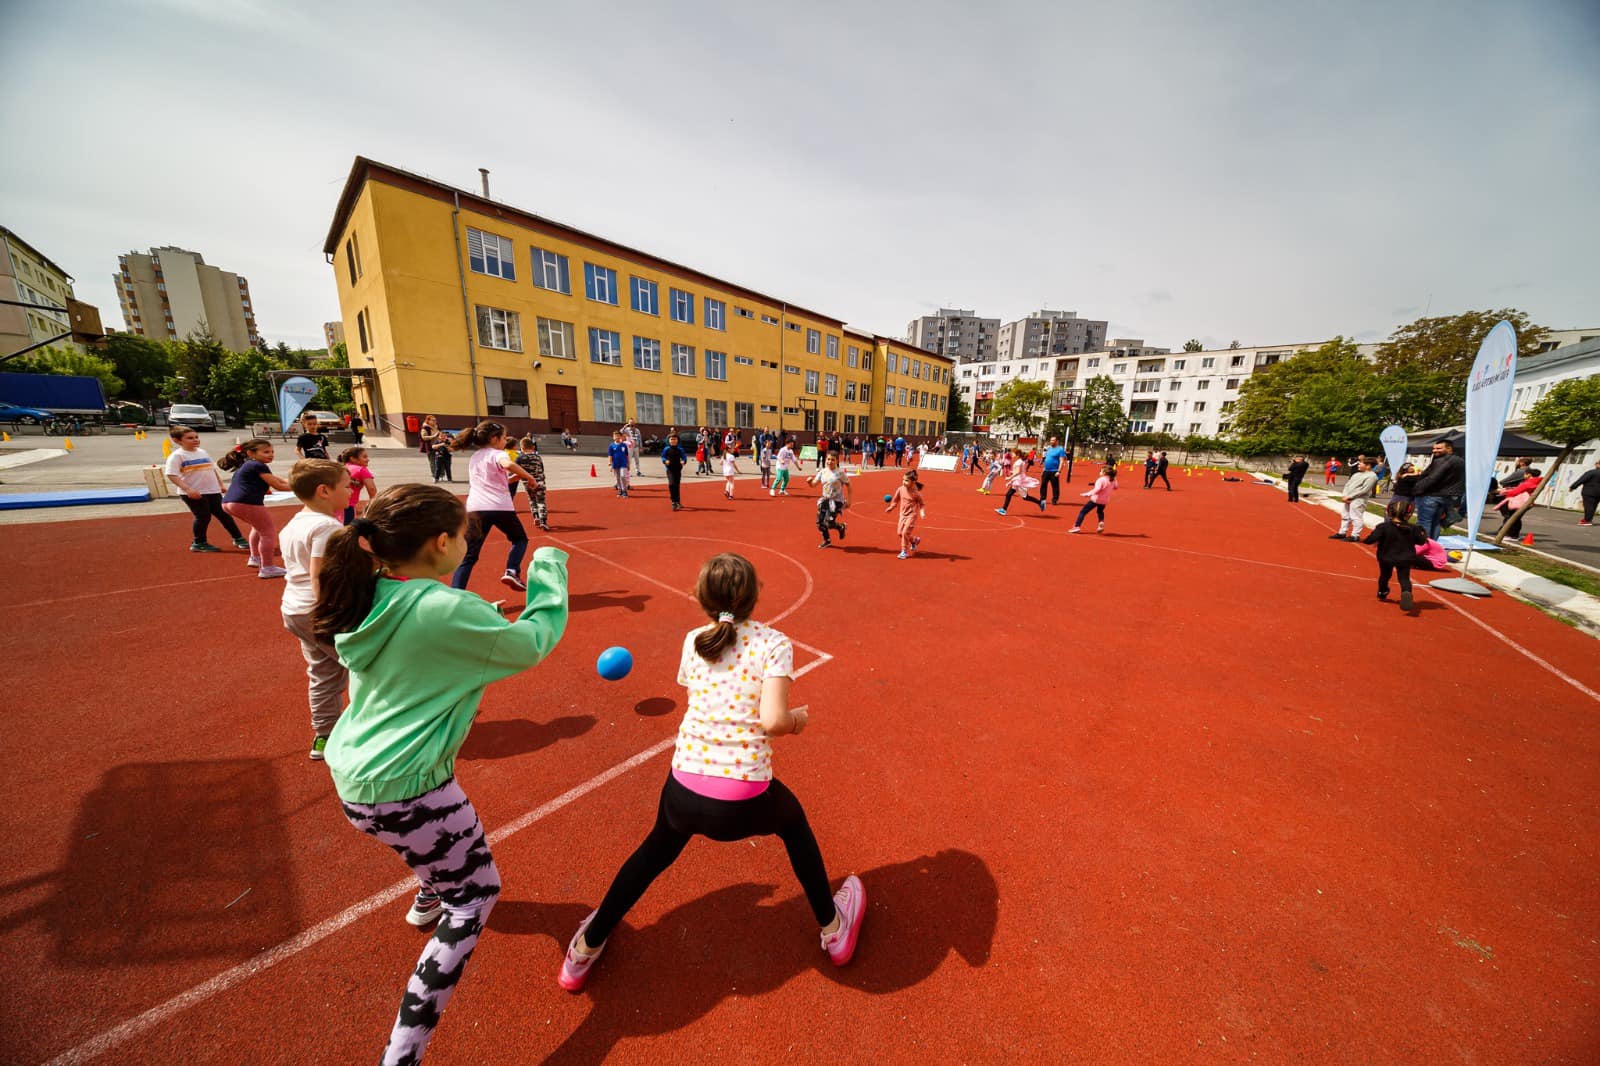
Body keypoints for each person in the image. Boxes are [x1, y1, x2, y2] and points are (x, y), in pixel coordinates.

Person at [313, 484, 568, 1063]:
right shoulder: (439, 609)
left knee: (439, 849)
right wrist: (549, 569)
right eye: (464, 535)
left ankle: (428, 893)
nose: (468, 542)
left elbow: (430, 628)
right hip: (408, 789)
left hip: (358, 774)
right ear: (440, 542)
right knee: (477, 897)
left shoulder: (375, 593)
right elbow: (532, 643)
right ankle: (403, 1054)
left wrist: (474, 617)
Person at [557, 552, 863, 993]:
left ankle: (585, 947)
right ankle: (833, 929)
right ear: (755, 597)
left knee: (654, 852)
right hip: (744, 798)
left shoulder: (694, 639)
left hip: (684, 784)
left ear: (701, 598)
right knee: (794, 826)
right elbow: (774, 721)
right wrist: (797, 719)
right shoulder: (773, 643)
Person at [279, 459, 353, 761]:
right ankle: (385, 727)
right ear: (324, 490)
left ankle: (325, 735)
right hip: (318, 610)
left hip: (294, 608)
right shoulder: (326, 526)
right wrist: (332, 614)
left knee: (323, 674)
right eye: (347, 486)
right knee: (368, 665)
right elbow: (320, 574)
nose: (352, 492)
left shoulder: (295, 522)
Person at [449, 421, 535, 593]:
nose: (505, 441)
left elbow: (492, 480)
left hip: (475, 509)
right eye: (503, 438)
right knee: (519, 539)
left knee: (469, 556)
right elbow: (508, 464)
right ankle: (512, 570)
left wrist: (513, 479)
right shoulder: (497, 454)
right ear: (494, 439)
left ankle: (455, 593)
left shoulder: (475, 458)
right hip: (499, 506)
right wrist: (529, 477)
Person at [164, 425, 249, 553]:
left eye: (196, 437)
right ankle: (199, 542)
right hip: (194, 493)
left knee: (224, 515)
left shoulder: (202, 452)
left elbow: (212, 470)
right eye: (190, 438)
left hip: (212, 490)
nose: (195, 440)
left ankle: (238, 538)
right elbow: (171, 475)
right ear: (177, 440)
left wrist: (220, 485)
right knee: (203, 517)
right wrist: (188, 490)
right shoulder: (177, 456)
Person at [220, 438, 292, 577]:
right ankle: (267, 567)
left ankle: (255, 558)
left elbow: (279, 480)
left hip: (228, 502)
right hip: (246, 502)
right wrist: (304, 487)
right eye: (266, 452)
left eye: (272, 452)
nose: (271, 454)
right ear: (250, 453)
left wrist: (296, 481)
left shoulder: (248, 465)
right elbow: (279, 486)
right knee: (268, 532)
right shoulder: (258, 466)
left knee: (258, 528)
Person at [1363, 497, 1427, 611]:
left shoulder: (1383, 527)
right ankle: (1406, 592)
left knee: (1385, 575)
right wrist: (1423, 534)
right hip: (1406, 557)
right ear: (1409, 515)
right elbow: (1421, 542)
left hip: (1386, 557)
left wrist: (1367, 540)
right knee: (1404, 578)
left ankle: (1382, 591)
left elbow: (1371, 539)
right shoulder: (1413, 528)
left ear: (1388, 513)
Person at [1411, 439, 1465, 540]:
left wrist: (1416, 489)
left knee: (1424, 522)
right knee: (1436, 523)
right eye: (1434, 448)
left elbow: (1432, 478)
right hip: (1445, 497)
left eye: (1439, 448)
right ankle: (1432, 546)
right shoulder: (1460, 461)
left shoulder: (1443, 460)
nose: (1435, 451)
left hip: (1431, 496)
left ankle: (1423, 546)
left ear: (1449, 448)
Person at [808, 451, 851, 548]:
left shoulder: (840, 473)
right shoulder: (822, 471)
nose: (830, 461)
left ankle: (841, 527)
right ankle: (827, 540)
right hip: (825, 499)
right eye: (828, 459)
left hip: (836, 501)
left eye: (832, 459)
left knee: (829, 523)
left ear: (836, 461)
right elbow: (814, 484)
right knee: (819, 523)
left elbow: (849, 485)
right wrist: (809, 482)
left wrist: (849, 500)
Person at [1332, 458, 1378, 541]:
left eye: (1361, 464)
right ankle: (1342, 532)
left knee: (1356, 517)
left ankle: (1355, 535)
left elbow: (1364, 489)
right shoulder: (1356, 474)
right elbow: (1347, 485)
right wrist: (1345, 495)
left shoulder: (1372, 476)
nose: (1358, 465)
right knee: (1345, 516)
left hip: (1358, 499)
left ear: (1368, 466)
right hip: (1347, 497)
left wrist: (1351, 497)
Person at [1493, 466, 1543, 539]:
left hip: (1519, 502)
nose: (1524, 476)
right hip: (1526, 502)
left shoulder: (1528, 483)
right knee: (1515, 518)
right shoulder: (1537, 482)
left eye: (1525, 474)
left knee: (1512, 518)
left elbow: (1515, 492)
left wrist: (1505, 493)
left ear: (1529, 475)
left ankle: (1510, 535)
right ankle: (1509, 533)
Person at [886, 469, 925, 559]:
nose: (904, 482)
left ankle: (904, 551)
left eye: (906, 480)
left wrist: (922, 512)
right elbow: (895, 500)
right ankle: (914, 540)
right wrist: (891, 507)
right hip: (902, 515)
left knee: (904, 533)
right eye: (903, 480)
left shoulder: (916, 493)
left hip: (912, 515)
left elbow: (922, 504)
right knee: (900, 533)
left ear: (913, 482)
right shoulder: (900, 489)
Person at [1069, 464, 1119, 533]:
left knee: (1083, 512)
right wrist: (1115, 478)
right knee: (1100, 511)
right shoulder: (1112, 480)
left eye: (1101, 471)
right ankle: (1101, 522)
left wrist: (1088, 493)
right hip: (1104, 501)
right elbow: (1116, 487)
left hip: (1095, 499)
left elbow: (1097, 489)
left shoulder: (1101, 480)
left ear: (1104, 472)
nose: (1100, 472)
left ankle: (1076, 526)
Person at [995, 450, 1045, 517]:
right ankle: (1040, 502)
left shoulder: (1019, 462)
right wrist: (1012, 472)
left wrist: (1009, 477)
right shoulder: (1020, 461)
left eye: (1013, 453)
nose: (1012, 455)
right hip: (1019, 480)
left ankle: (1004, 510)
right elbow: (1020, 471)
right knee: (1022, 497)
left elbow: (1018, 472)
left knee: (1010, 495)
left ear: (1018, 455)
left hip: (1019, 481)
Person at [514, 436, 549, 531]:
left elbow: (515, 469)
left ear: (522, 448)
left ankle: (536, 516)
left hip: (527, 482)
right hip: (540, 482)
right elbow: (542, 469)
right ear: (533, 447)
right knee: (541, 501)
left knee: (532, 500)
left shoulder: (520, 458)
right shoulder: (538, 457)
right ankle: (543, 521)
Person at [338, 446, 377, 526]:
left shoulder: (342, 467)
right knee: (347, 532)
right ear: (353, 459)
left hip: (333, 504)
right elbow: (372, 489)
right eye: (364, 457)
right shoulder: (361, 469)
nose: (368, 459)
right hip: (348, 505)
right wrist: (374, 506)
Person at [660, 432, 688, 510]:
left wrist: (683, 461)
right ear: (669, 440)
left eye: (675, 439)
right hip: (669, 469)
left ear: (677, 440)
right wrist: (665, 461)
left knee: (677, 485)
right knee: (671, 484)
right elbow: (663, 457)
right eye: (671, 439)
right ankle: (673, 502)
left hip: (678, 469)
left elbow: (684, 457)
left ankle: (678, 502)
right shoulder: (666, 449)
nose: (673, 441)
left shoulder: (680, 449)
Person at [1572, 459, 1600, 526]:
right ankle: (1588, 519)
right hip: (1598, 493)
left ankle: (1587, 520)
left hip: (1589, 492)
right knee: (1593, 506)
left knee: (1588, 506)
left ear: (1598, 464)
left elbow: (1582, 479)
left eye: (1596, 463)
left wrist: (1573, 486)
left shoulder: (1592, 472)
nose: (1595, 464)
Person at [608, 431, 632, 497]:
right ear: (613, 437)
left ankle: (624, 490)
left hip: (623, 464)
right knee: (617, 478)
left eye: (618, 436)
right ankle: (620, 490)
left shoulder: (624, 445)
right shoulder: (611, 446)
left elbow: (627, 455)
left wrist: (628, 464)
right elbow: (610, 456)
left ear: (620, 437)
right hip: (615, 464)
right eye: (615, 436)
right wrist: (610, 464)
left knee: (622, 476)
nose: (617, 437)